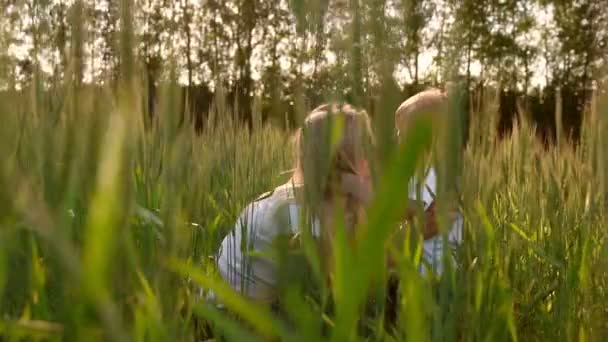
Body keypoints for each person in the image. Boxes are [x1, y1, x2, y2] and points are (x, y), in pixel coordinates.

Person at [216, 103, 374, 304]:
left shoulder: (308, 197)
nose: (372, 155)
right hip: (245, 321)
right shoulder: (296, 217)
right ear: (342, 158)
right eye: (365, 146)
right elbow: (339, 292)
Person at [393, 87, 464, 276]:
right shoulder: (421, 173)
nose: (397, 139)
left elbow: (411, 207)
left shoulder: (435, 173)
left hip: (433, 271)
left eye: (402, 133)